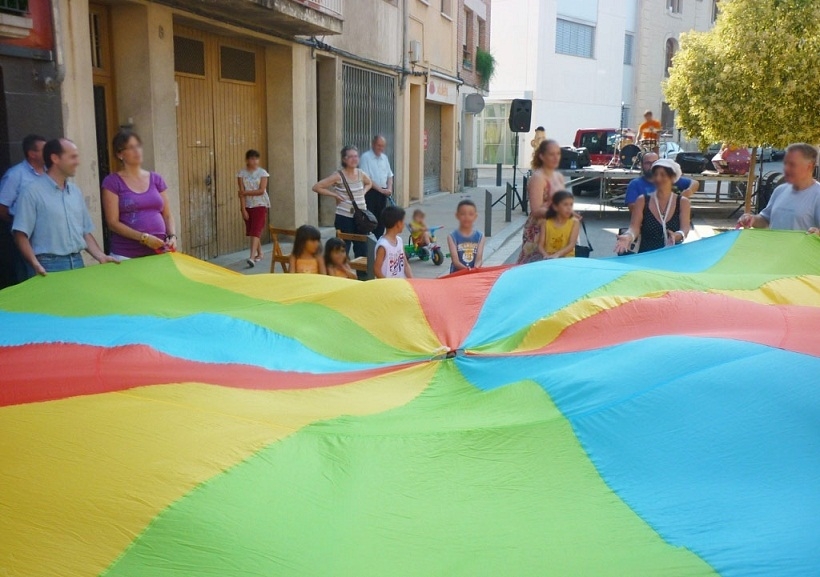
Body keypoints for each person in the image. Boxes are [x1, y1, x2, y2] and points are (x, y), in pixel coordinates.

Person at [13, 138, 118, 276]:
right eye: (73, 157)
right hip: (48, 266)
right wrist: (35, 264)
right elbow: (20, 234)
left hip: (78, 262)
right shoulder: (31, 192)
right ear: (55, 158)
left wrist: (100, 256)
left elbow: (84, 232)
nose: (77, 162)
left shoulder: (75, 191)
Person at [101, 130, 176, 260]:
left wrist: (172, 236)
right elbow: (112, 222)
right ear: (120, 154)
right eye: (131, 147)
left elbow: (167, 214)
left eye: (138, 146)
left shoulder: (156, 179)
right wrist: (144, 238)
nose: (137, 151)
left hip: (158, 252)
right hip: (126, 254)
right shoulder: (112, 182)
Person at [738, 143, 820, 232]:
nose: (787, 168)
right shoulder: (780, 190)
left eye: (793, 164)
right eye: (786, 163)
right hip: (774, 245)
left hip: (803, 246)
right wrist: (752, 219)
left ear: (809, 166)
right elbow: (765, 220)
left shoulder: (817, 194)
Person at [615, 159, 691, 254]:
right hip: (646, 256)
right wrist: (628, 236)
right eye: (655, 175)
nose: (658, 179)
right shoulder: (642, 200)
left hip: (673, 257)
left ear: (672, 178)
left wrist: (676, 235)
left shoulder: (683, 202)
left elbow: (685, 229)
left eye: (663, 175)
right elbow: (634, 227)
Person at [0, 134, 47, 286]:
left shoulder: (50, 173)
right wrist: (20, 223)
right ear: (32, 154)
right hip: (26, 237)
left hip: (48, 236)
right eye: (44, 150)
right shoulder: (15, 175)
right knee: (30, 277)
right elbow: (2, 207)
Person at [313, 145, 373, 260]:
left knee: (362, 248)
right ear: (344, 159)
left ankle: (362, 277)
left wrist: (363, 192)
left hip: (361, 217)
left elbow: (369, 183)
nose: (354, 159)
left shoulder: (361, 173)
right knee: (342, 248)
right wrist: (334, 195)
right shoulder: (338, 175)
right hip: (344, 217)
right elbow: (317, 187)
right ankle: (341, 274)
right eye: (350, 156)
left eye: (356, 156)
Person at [516, 139, 565, 264]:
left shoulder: (558, 176)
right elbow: (536, 210)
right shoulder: (538, 178)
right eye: (551, 154)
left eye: (558, 153)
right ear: (542, 156)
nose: (555, 157)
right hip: (540, 230)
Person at [625, 152, 699, 211]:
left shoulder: (669, 179)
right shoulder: (635, 184)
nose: (651, 165)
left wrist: (689, 191)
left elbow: (695, 183)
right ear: (641, 165)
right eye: (647, 163)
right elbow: (632, 208)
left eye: (654, 162)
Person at [237, 149, 270, 267]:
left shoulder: (262, 173)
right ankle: (260, 253)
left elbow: (261, 190)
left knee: (256, 229)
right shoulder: (241, 174)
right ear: (247, 160)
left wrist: (245, 193)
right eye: (252, 158)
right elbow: (240, 193)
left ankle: (251, 257)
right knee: (252, 230)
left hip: (260, 204)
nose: (254, 161)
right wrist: (243, 209)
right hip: (248, 205)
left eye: (256, 158)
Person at [360, 135, 394, 238]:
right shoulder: (366, 157)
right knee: (371, 219)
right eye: (379, 145)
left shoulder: (384, 158)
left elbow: (390, 175)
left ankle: (379, 240)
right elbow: (366, 178)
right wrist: (381, 190)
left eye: (383, 146)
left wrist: (389, 188)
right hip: (371, 192)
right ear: (373, 144)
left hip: (383, 192)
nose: (381, 148)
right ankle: (370, 241)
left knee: (381, 218)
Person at [538, 191, 580, 259]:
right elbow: (540, 245)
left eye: (571, 205)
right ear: (555, 207)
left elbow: (572, 244)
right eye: (565, 204)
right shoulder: (545, 222)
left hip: (567, 260)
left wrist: (557, 254)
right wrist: (545, 255)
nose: (569, 208)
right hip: (549, 259)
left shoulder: (574, 222)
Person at [448, 199, 485, 273]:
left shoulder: (480, 236)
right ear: (457, 215)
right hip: (457, 275)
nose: (466, 217)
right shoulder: (452, 236)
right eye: (463, 214)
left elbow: (479, 259)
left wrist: (475, 268)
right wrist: (467, 270)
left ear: (475, 216)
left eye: (470, 214)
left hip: (473, 275)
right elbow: (455, 261)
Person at [375, 205, 412, 279]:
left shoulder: (399, 241)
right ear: (398, 224)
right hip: (388, 287)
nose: (404, 224)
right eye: (403, 221)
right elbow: (377, 270)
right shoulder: (383, 246)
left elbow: (405, 265)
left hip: (400, 284)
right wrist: (387, 285)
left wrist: (413, 281)